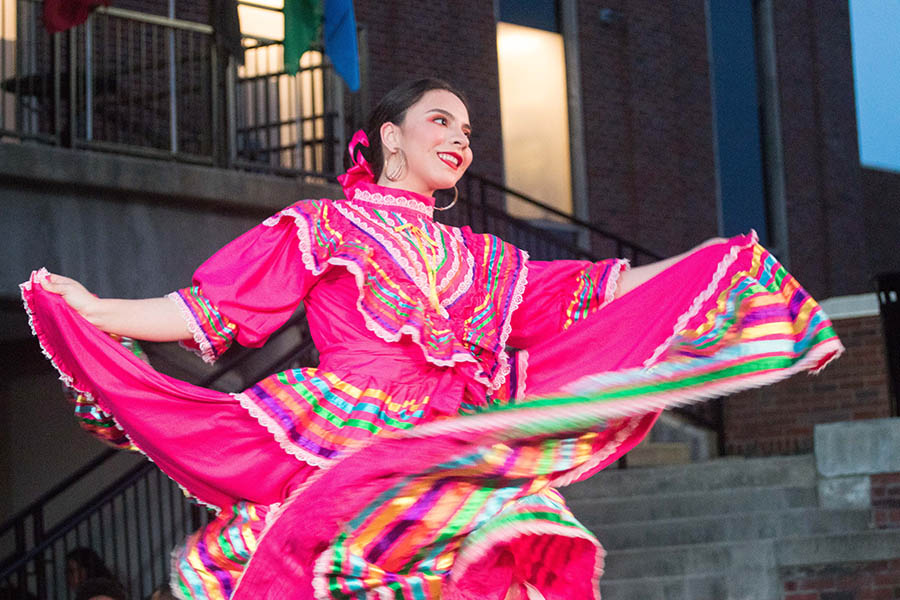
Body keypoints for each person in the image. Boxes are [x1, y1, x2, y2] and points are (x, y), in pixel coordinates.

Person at [23, 78, 843, 599]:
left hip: (451, 436)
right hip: (346, 433)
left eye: (468, 131)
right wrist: (98, 309)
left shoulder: (484, 259)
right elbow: (206, 310)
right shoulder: (324, 227)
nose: (460, 139)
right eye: (441, 121)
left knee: (495, 570)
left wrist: (696, 269)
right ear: (390, 138)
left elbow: (583, 291)